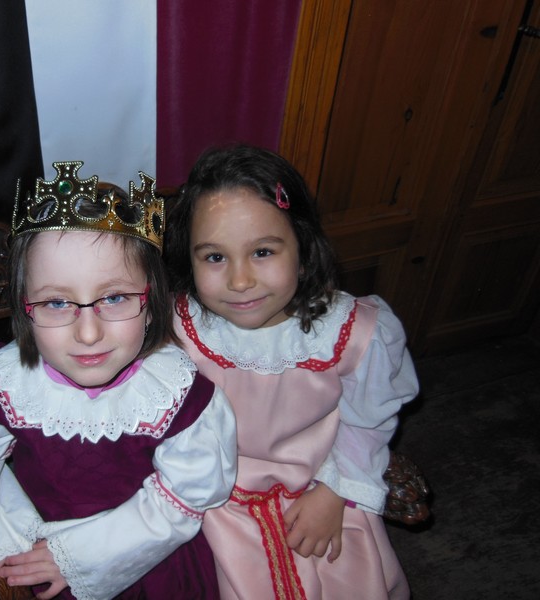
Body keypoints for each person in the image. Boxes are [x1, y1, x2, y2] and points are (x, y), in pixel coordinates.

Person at [0, 161, 237, 600]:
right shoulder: (4, 381)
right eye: (57, 303)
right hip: (36, 551)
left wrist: (80, 556)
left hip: (145, 560)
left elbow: (184, 497)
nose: (89, 333)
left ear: (151, 301)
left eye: (114, 298)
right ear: (23, 306)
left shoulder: (174, 395)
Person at [164, 144, 418, 599]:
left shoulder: (351, 334)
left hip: (320, 490)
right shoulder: (180, 329)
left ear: (301, 248)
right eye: (215, 257)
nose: (240, 281)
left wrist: (336, 492)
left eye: (262, 251)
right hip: (208, 503)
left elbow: (368, 420)